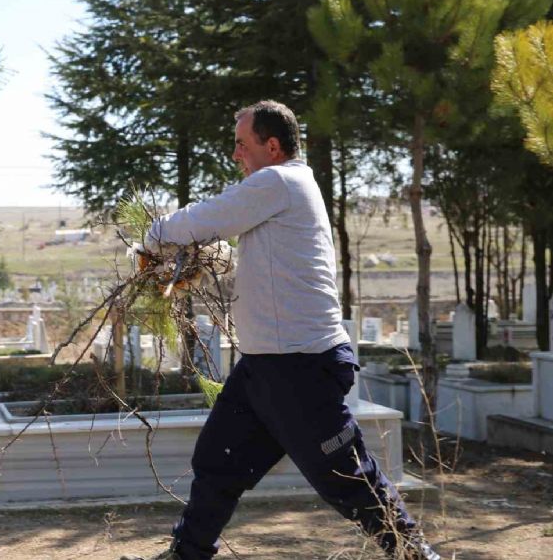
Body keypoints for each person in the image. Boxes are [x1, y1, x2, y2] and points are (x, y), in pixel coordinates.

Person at [122, 101, 439, 560]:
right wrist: (206, 265)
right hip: (263, 367)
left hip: (301, 367)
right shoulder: (281, 194)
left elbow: (208, 217)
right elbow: (257, 271)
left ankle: (416, 555)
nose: (235, 155)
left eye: (241, 144)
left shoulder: (280, 180)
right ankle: (187, 554)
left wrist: (155, 236)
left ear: (272, 146)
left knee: (348, 479)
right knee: (217, 462)